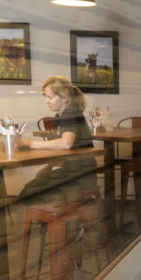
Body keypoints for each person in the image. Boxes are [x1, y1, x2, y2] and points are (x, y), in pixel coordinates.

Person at [18, 76, 98, 204]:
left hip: (80, 175)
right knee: (31, 188)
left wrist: (30, 143)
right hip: (74, 171)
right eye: (46, 97)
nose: (46, 101)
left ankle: (58, 219)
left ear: (65, 98)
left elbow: (66, 143)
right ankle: (58, 220)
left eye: (50, 97)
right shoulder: (60, 116)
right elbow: (63, 150)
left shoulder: (70, 113)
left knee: (28, 193)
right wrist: (49, 167)